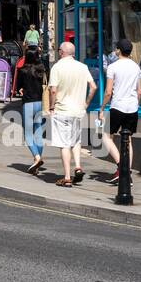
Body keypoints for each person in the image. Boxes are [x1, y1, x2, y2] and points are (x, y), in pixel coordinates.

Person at [46, 41, 96, 188]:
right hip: (78, 111)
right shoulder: (82, 67)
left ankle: (67, 177)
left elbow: (53, 90)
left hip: (62, 111)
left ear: (62, 52)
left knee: (64, 144)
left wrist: (51, 106)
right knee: (76, 141)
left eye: (58, 50)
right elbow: (93, 87)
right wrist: (86, 103)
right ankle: (78, 166)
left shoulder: (57, 67)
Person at [100, 39, 141, 184]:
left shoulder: (113, 67)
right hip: (132, 108)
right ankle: (127, 173)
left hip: (117, 107)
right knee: (128, 139)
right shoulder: (136, 67)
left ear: (118, 50)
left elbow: (108, 91)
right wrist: (135, 102)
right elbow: (140, 91)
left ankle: (121, 167)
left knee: (106, 136)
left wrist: (101, 108)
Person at [14, 45, 47, 175]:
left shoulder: (22, 70)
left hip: (28, 103)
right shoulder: (42, 70)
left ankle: (37, 158)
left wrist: (22, 89)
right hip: (40, 103)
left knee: (28, 134)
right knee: (38, 132)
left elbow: (18, 89)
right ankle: (37, 165)